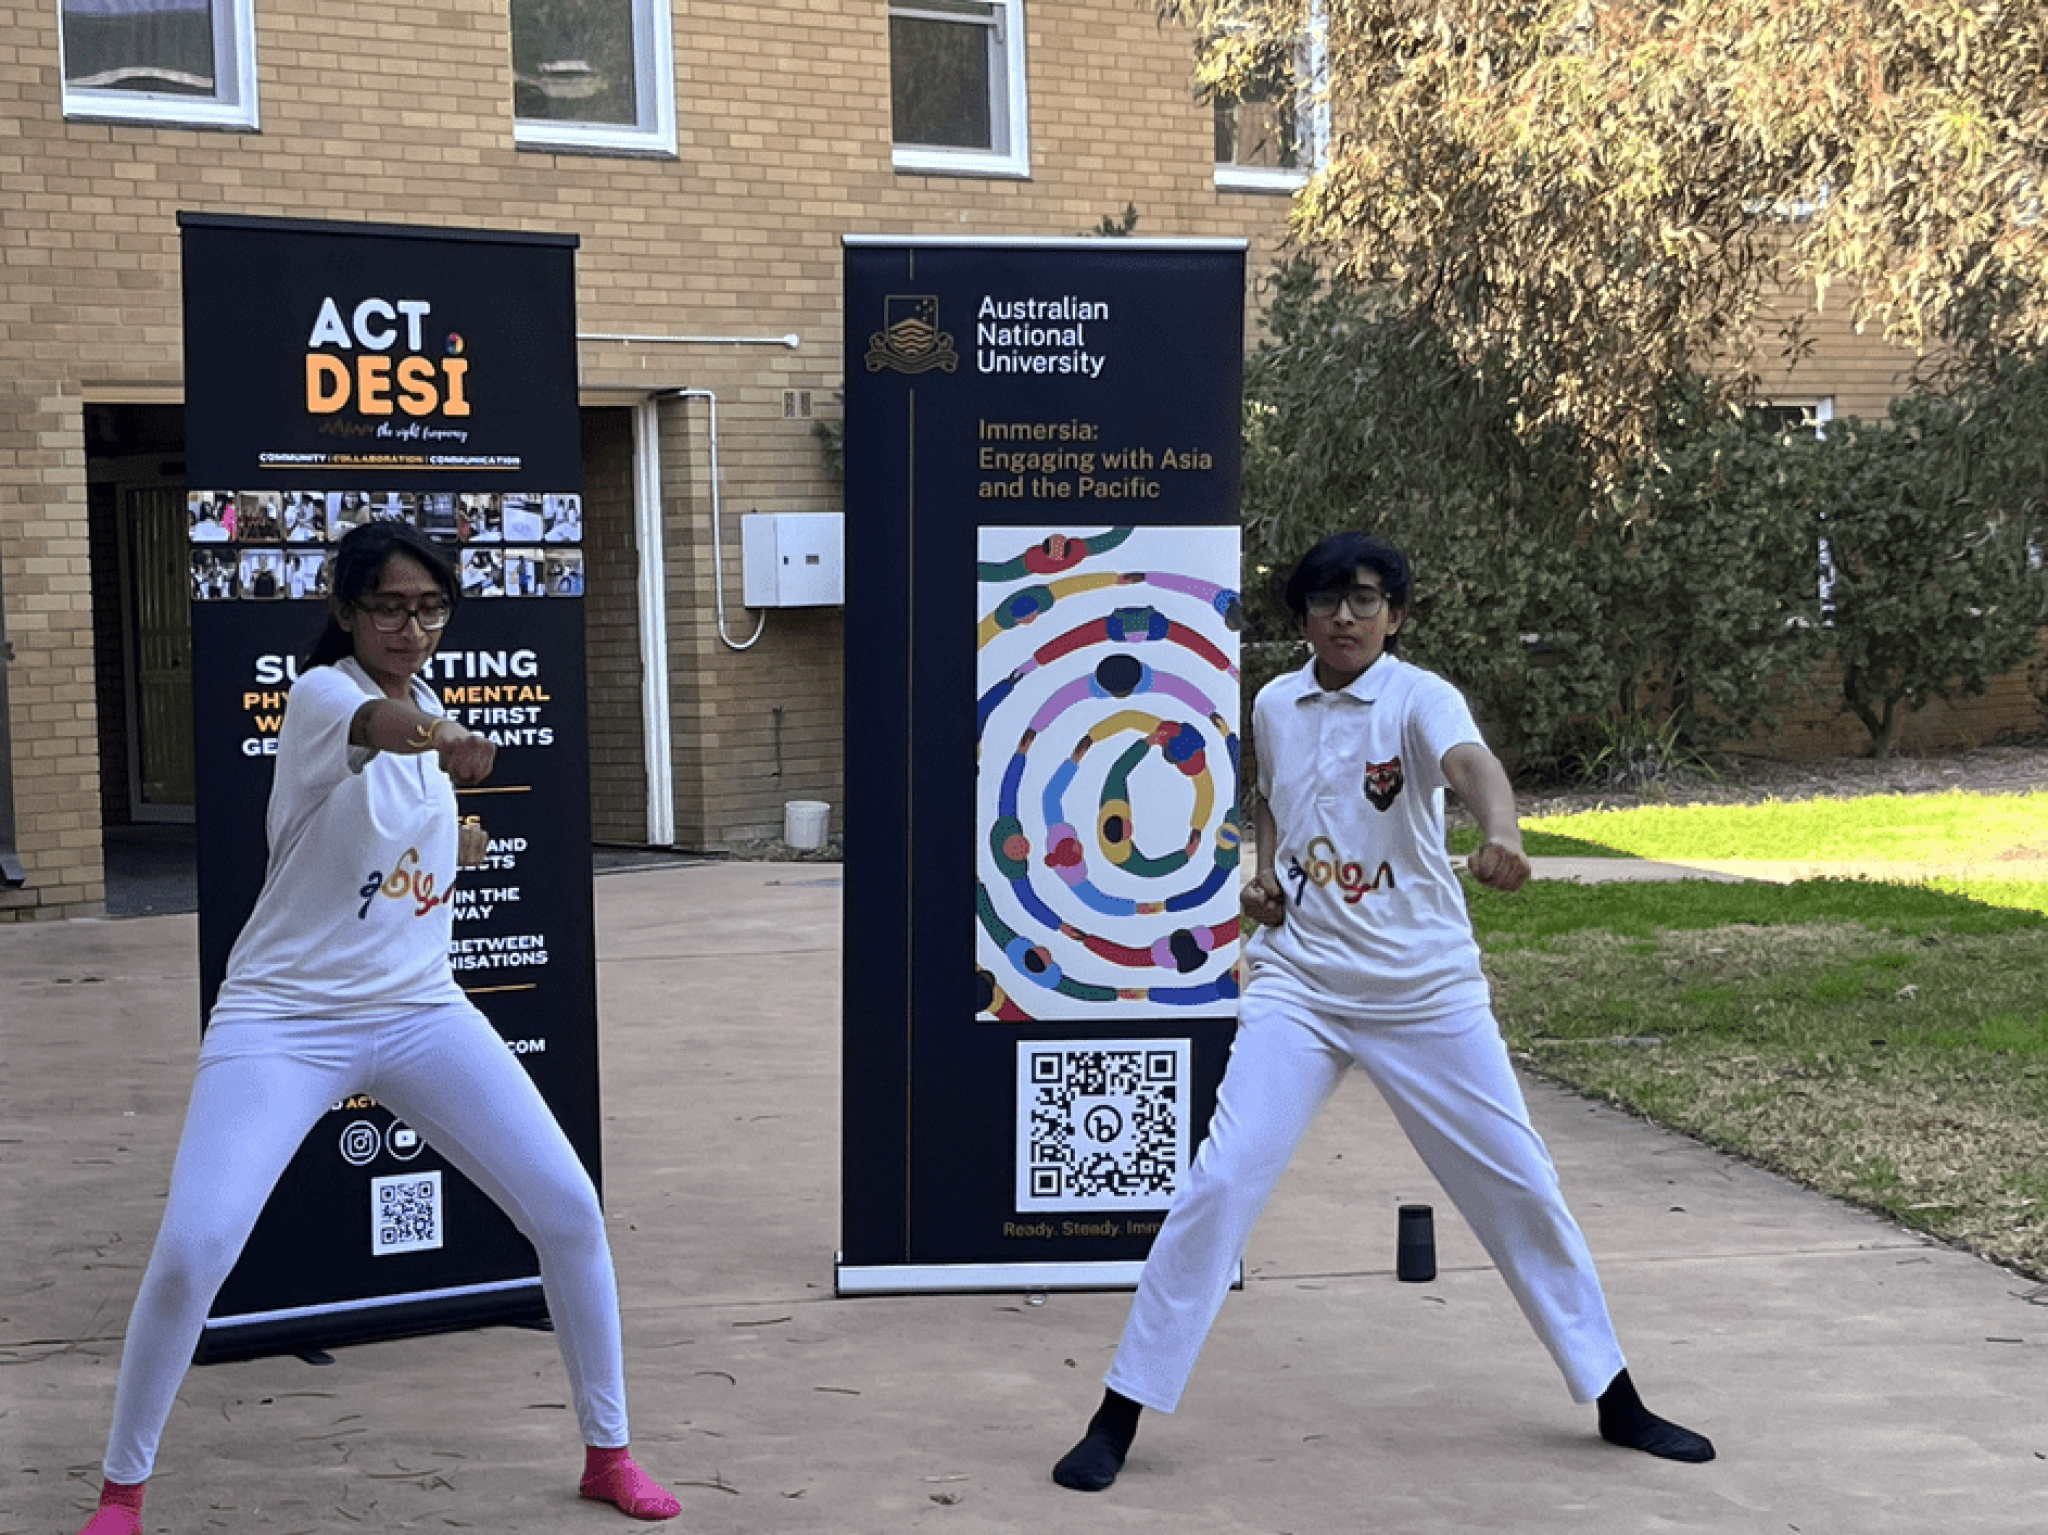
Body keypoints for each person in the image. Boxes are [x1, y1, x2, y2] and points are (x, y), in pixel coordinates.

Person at [1051, 531, 1715, 1493]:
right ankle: (1119, 1410)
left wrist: (1503, 831)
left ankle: (1614, 1397)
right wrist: (1264, 877)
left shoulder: (1417, 697)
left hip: (1424, 993)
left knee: (1518, 1184)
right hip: (1302, 988)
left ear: (1395, 614)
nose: (1345, 617)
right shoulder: (1275, 701)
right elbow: (1276, 801)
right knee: (1220, 1181)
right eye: (1325, 601)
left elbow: (1471, 761)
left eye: (1365, 600)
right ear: (1303, 619)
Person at [73, 521, 680, 1535]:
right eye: (391, 605)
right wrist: (446, 744)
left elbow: (388, 834)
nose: (411, 626)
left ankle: (607, 1451)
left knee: (568, 1211)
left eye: (429, 607)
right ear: (348, 609)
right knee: (194, 1247)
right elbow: (381, 731)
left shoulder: (428, 701)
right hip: (283, 1018)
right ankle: (121, 1492)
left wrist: (455, 839)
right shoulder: (326, 695)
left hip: (417, 1008)